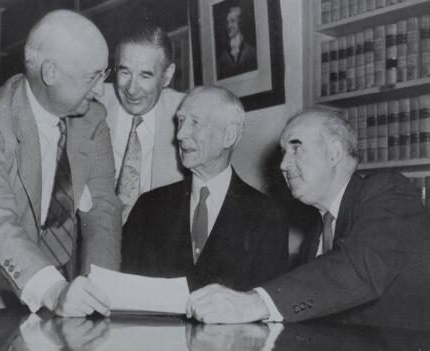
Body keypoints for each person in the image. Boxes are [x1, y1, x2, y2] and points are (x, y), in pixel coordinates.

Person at [0, 10, 121, 316]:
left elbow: (102, 211)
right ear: (50, 73)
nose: (101, 89)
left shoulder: (93, 118)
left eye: (104, 73)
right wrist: (56, 291)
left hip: (47, 284)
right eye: (92, 77)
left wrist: (103, 293)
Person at [187, 108, 430, 330]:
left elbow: (359, 267)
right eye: (283, 152)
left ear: (334, 153)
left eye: (296, 147)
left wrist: (256, 302)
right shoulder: (316, 233)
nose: (283, 164)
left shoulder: (387, 191)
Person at [121, 86, 288, 292]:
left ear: (229, 136)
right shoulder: (148, 206)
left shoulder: (267, 216)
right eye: (181, 121)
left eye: (195, 122)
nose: (180, 135)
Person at [98, 24, 186, 222]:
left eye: (145, 75)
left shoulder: (185, 113)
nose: (131, 88)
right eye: (125, 72)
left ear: (168, 75)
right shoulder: (92, 101)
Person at [217, 6, 257, 80]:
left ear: (239, 23)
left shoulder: (251, 52)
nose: (229, 26)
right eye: (227, 23)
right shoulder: (222, 57)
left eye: (232, 21)